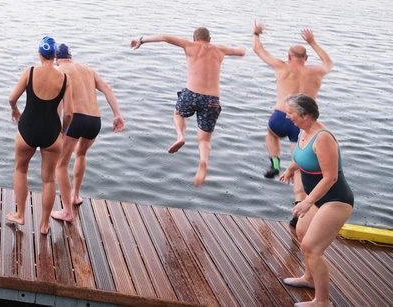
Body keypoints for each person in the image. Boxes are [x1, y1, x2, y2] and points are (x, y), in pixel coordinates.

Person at [130, 27, 244, 186]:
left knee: (178, 113)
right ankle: (203, 163)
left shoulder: (189, 45)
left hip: (191, 94)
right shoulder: (220, 49)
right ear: (209, 39)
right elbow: (241, 52)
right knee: (204, 140)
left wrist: (141, 40)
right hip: (212, 99)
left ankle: (180, 136)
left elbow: (164, 36)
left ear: (194, 38)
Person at [278, 94, 353, 307]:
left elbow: (331, 177)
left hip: (336, 200)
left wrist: (307, 202)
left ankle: (323, 301)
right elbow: (303, 157)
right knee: (301, 232)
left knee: (312, 248)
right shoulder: (304, 131)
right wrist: (291, 167)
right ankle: (309, 278)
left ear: (306, 115)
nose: (287, 115)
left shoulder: (323, 138)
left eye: (291, 112)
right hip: (317, 199)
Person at [50, 43, 124, 223]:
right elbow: (107, 88)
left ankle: (67, 211)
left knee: (61, 164)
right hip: (94, 120)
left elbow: (59, 104)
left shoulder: (59, 70)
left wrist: (58, 127)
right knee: (81, 154)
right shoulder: (87, 69)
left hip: (76, 118)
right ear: (70, 56)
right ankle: (75, 196)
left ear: (55, 58)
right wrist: (117, 114)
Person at [7, 36, 72, 234]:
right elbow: (69, 113)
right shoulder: (65, 79)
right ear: (54, 55)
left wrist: (15, 111)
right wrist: (62, 131)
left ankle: (20, 215)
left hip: (27, 129)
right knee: (49, 179)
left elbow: (12, 98)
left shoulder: (30, 72)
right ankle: (44, 225)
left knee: (20, 170)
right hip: (51, 132)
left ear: (39, 53)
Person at [253, 23, 334, 179]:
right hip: (304, 120)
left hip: (282, 114)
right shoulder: (316, 72)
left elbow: (258, 50)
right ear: (306, 58)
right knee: (298, 153)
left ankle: (275, 164)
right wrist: (312, 42)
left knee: (271, 135)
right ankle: (300, 187)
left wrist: (256, 34)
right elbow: (328, 63)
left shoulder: (281, 66)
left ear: (289, 56)